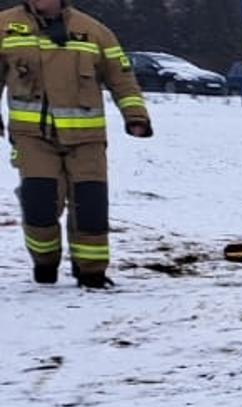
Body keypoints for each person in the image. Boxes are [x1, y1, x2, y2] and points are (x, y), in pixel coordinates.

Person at [1, 0, 152, 288]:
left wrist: (136, 116)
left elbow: (121, 77)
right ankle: (45, 262)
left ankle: (91, 272)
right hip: (33, 137)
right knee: (40, 204)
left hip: (87, 140)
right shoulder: (5, 26)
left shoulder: (94, 31)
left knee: (90, 207)